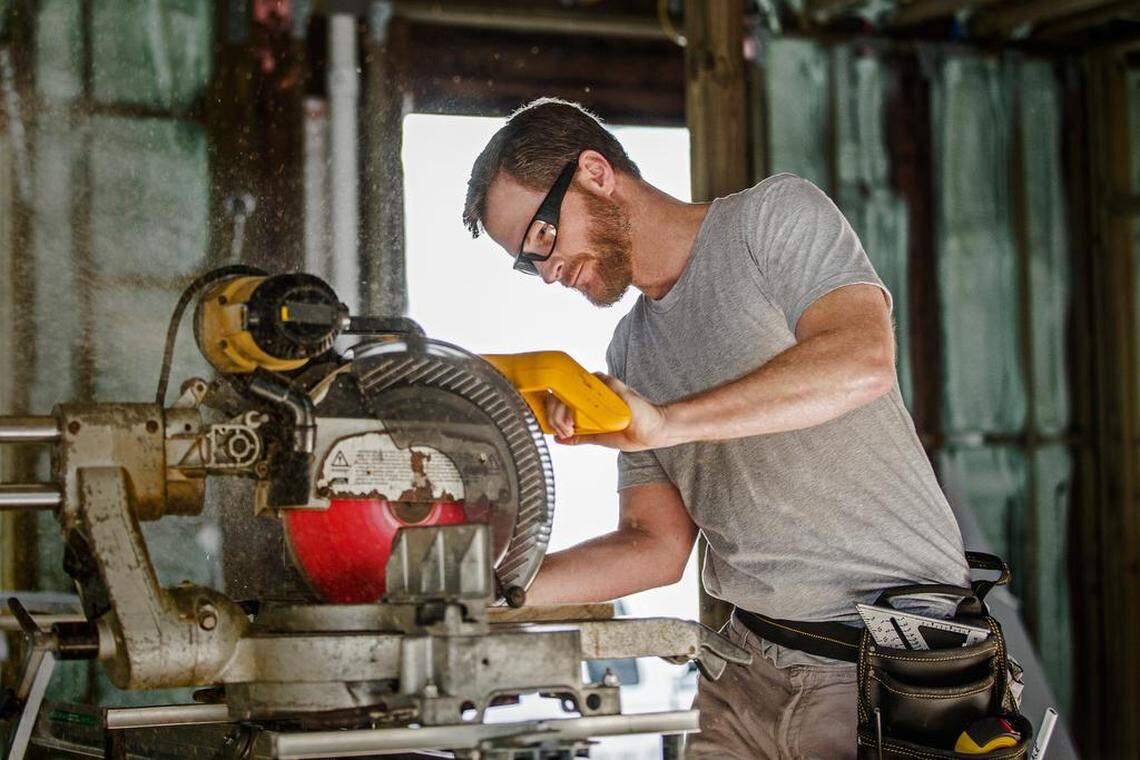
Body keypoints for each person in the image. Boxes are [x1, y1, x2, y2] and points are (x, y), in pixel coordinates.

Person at [462, 97, 969, 759]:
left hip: (881, 666)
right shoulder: (632, 352)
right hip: (745, 669)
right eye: (527, 263)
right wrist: (488, 590)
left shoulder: (771, 219)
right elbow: (654, 547)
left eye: (542, 237)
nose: (548, 272)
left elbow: (861, 359)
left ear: (595, 173)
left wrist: (667, 423)